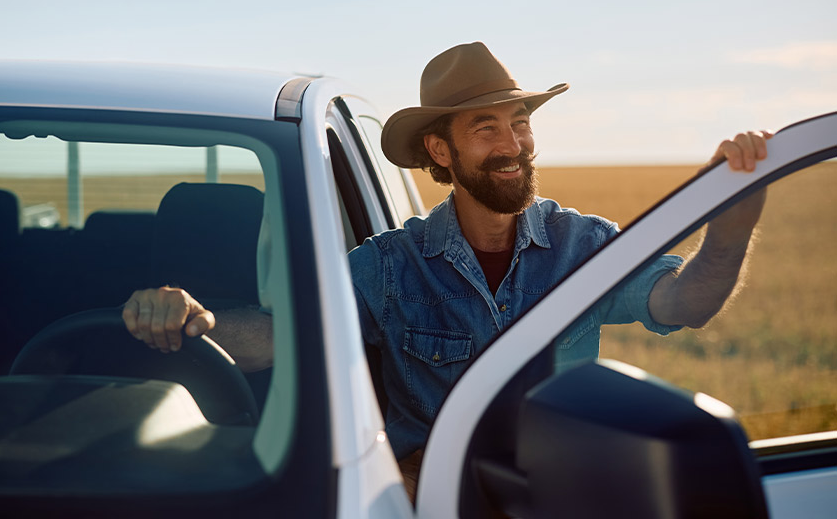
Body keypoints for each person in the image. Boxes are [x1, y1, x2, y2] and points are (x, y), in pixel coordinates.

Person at [123, 41, 770, 477]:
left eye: (519, 122)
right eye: (486, 128)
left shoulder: (585, 245)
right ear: (440, 151)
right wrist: (194, 321)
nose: (513, 143)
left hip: (555, 498)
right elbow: (279, 340)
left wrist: (731, 226)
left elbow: (684, 302)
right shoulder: (387, 267)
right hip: (428, 498)